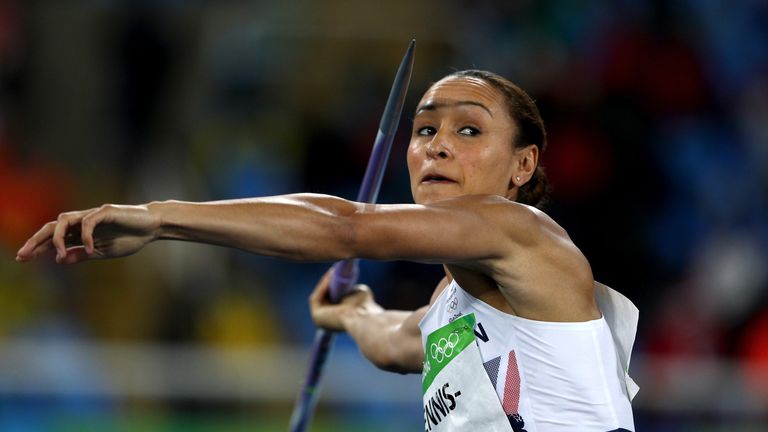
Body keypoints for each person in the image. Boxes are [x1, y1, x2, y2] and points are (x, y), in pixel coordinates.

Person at [16, 70, 638, 431]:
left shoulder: (523, 233)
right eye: (425, 129)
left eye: (468, 130)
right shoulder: (451, 301)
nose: (437, 146)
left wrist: (160, 218)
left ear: (523, 165)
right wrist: (352, 313)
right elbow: (398, 342)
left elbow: (344, 228)